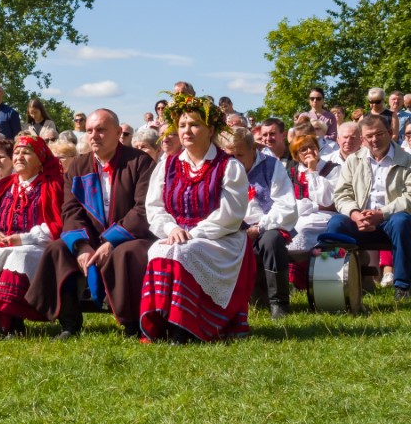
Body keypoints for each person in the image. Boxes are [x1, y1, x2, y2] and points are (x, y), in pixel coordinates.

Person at [25, 109, 156, 339]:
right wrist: (82, 246)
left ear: (117, 133)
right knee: (57, 250)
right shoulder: (78, 166)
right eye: (89, 131)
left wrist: (111, 241)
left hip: (132, 236)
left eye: (101, 130)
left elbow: (143, 208)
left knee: (125, 254)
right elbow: (71, 209)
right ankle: (69, 323)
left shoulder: (139, 162)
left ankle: (132, 323)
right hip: (91, 238)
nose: (94, 136)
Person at [139, 94, 253, 343]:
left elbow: (230, 215)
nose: (186, 131)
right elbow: (154, 206)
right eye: (181, 125)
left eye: (194, 125)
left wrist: (193, 233)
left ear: (210, 129)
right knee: (157, 250)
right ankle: (162, 323)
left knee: (184, 252)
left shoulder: (228, 166)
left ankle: (186, 327)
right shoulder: (167, 165)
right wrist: (171, 228)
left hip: (221, 238)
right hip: (178, 235)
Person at [0, 135, 63, 335]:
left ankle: (10, 320)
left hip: (36, 244)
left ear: (40, 158)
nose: (19, 157)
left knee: (20, 255)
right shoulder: (6, 185)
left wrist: (23, 238)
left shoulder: (50, 186)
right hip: (4, 241)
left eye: (26, 153)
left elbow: (56, 225)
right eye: (16, 153)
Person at [322, 114, 411, 301]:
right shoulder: (353, 160)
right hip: (360, 220)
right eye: (369, 136)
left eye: (379, 134)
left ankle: (402, 287)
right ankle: (334, 286)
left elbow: (409, 197)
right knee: (336, 223)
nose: (374, 140)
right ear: (362, 139)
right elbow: (342, 194)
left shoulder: (407, 160)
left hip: (390, 221)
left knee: (402, 221)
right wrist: (355, 214)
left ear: (390, 132)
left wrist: (382, 214)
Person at [226, 127, 298, 319]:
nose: (234, 160)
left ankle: (279, 305)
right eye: (230, 155)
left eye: (239, 154)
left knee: (272, 241)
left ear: (254, 149)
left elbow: (286, 205)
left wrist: (260, 227)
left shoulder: (272, 166)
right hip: (231, 228)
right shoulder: (223, 168)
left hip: (264, 227)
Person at [287, 133, 341, 286]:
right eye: (303, 149)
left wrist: (312, 171)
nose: (309, 151)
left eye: (312, 147)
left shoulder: (332, 169)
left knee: (302, 228)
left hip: (327, 216)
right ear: (296, 155)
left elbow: (327, 199)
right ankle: (296, 279)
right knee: (292, 228)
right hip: (299, 216)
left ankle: (308, 279)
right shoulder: (292, 174)